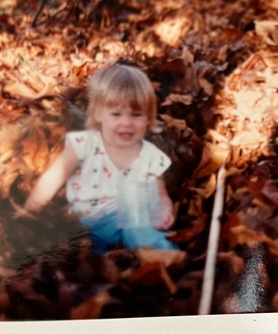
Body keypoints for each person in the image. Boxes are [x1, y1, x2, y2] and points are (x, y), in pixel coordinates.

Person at [25, 64, 179, 254]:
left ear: (148, 118)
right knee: (76, 249)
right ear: (98, 113)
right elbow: (53, 178)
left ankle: (165, 258)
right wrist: (30, 211)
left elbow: (160, 194)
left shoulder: (150, 156)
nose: (126, 122)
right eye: (116, 114)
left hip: (130, 219)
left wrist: (165, 211)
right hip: (83, 221)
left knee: (144, 234)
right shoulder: (85, 144)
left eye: (136, 115)